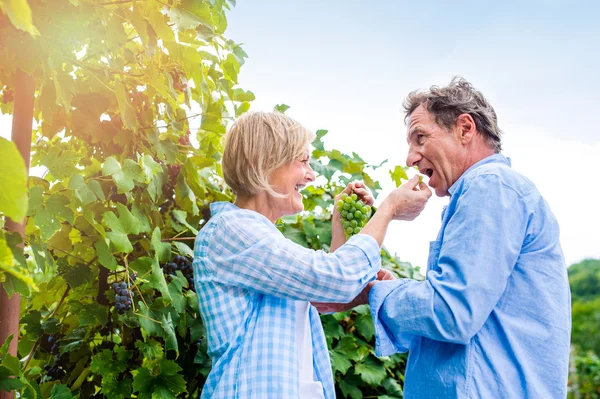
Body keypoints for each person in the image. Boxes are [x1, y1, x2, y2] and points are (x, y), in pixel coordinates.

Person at [324, 77, 571, 398]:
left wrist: (375, 291)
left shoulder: (488, 186)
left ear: (465, 128)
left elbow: (452, 313)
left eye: (420, 138)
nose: (410, 158)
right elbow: (470, 316)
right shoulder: (496, 190)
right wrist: (402, 289)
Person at [192, 111, 430, 399]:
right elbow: (338, 277)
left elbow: (326, 293)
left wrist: (340, 229)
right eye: (302, 161)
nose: (311, 174)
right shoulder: (233, 230)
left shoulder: (259, 237)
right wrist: (388, 209)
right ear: (265, 162)